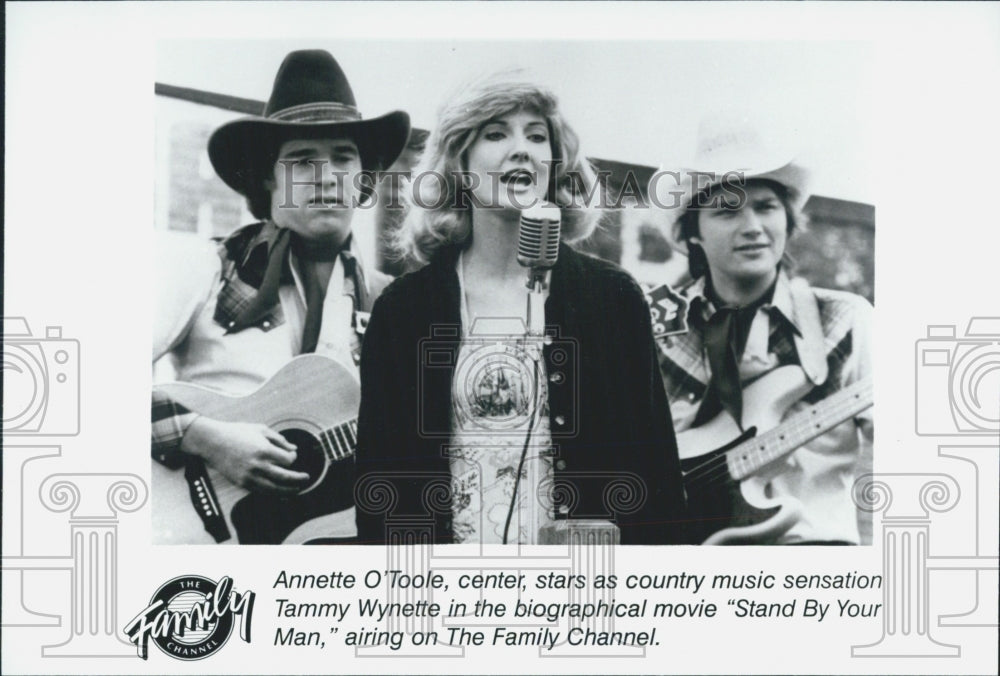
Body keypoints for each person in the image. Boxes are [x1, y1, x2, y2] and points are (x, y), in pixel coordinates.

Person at [354, 73, 687, 545]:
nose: (522, 149)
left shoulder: (612, 298)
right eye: (496, 134)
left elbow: (659, 484)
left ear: (556, 163)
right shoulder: (405, 309)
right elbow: (379, 492)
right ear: (459, 164)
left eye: (536, 135)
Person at [151, 50, 410, 544]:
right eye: (301, 160)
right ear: (267, 178)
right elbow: (89, 383)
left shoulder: (391, 302)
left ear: (363, 180)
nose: (326, 175)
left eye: (342, 157)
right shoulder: (207, 268)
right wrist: (203, 435)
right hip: (196, 540)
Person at [648, 115, 874, 545]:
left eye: (766, 207)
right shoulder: (656, 324)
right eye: (728, 210)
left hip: (816, 561)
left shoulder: (845, 318)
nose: (752, 226)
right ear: (693, 232)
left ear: (789, 221)